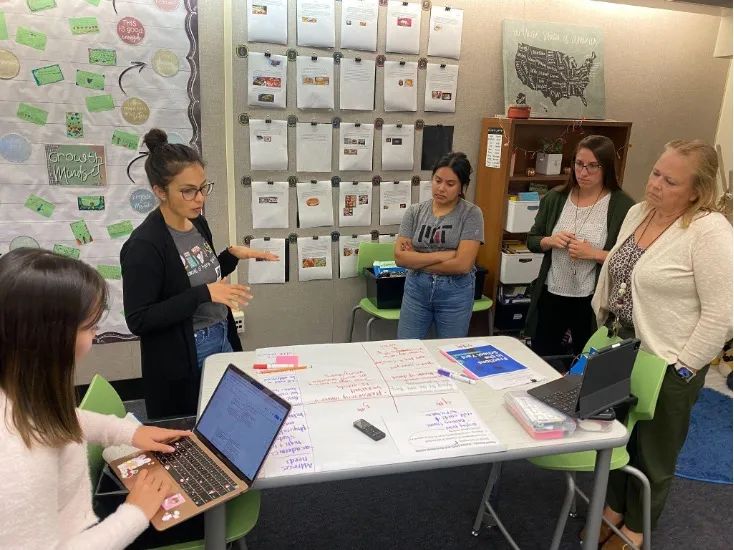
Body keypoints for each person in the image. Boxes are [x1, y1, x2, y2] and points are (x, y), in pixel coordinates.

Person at [589, 139, 732, 549]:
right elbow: (617, 272)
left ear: (695, 191)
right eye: (656, 173)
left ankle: (637, 527)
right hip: (619, 346)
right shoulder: (638, 212)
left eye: (670, 181)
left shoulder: (709, 232)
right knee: (614, 438)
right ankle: (613, 507)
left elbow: (722, 314)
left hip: (668, 359)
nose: (656, 185)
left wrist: (685, 367)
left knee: (654, 453)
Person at [0, 248, 192, 549]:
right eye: (89, 327)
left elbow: (63, 417)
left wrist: (131, 433)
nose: (96, 335)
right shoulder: (15, 458)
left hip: (78, 519)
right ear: (48, 338)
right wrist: (136, 513)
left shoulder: (19, 386)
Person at [121, 129, 277, 420]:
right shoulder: (144, 245)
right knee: (197, 425)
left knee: (228, 416)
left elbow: (192, 276)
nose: (199, 198)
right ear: (159, 191)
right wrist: (205, 294)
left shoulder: (197, 223)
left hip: (220, 333)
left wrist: (230, 257)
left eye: (203, 187)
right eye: (188, 190)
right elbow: (139, 319)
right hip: (185, 351)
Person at [525, 135, 635, 359]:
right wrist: (549, 241)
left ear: (607, 168)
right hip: (552, 293)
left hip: (591, 299)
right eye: (579, 164)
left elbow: (630, 260)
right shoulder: (555, 198)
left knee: (586, 361)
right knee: (543, 358)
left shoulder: (622, 205)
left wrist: (593, 254)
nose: (583, 172)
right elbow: (532, 240)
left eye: (593, 166)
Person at [394, 152, 484, 339]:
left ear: (462, 186)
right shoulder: (415, 212)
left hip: (455, 293)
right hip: (416, 290)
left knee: (449, 354)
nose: (441, 188)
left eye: (450, 184)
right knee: (407, 350)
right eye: (437, 180)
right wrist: (445, 255)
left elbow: (462, 265)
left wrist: (417, 259)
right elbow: (400, 258)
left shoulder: (471, 214)